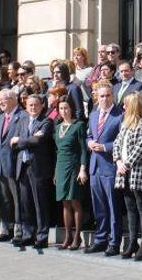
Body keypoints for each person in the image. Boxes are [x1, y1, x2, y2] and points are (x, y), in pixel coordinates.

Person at [113, 93, 142, 261]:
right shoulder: (125, 123)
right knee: (130, 208)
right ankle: (132, 241)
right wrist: (117, 161)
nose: (123, 107)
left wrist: (127, 163)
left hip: (138, 171)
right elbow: (117, 143)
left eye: (125, 104)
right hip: (123, 172)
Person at [11, 94, 55, 248]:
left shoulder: (46, 121)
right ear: (26, 106)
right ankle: (28, 234)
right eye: (30, 105)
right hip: (22, 166)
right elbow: (13, 143)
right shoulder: (22, 121)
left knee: (40, 203)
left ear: (42, 105)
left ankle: (42, 237)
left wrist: (21, 141)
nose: (33, 108)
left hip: (38, 168)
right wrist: (26, 141)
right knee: (26, 203)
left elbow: (37, 140)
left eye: (36, 105)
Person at [85, 84, 124, 255]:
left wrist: (105, 147)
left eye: (108, 95)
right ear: (97, 98)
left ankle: (114, 242)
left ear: (112, 96)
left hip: (110, 166)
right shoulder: (93, 115)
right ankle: (100, 239)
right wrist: (89, 142)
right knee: (99, 206)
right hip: (94, 167)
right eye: (101, 96)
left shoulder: (119, 116)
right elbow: (89, 135)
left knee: (113, 207)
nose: (105, 99)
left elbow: (122, 141)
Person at [53, 95, 89, 250]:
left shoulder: (79, 125)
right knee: (65, 202)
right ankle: (67, 236)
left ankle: (77, 236)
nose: (64, 111)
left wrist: (82, 169)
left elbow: (83, 149)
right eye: (61, 108)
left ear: (72, 108)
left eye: (66, 108)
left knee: (75, 201)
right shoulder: (57, 127)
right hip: (61, 166)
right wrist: (55, 171)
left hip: (74, 166)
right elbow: (57, 151)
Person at [0, 90, 26, 244]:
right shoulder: (0, 117)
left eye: (3, 99)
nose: (0, 102)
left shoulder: (23, 116)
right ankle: (6, 228)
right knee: (3, 199)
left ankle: (18, 231)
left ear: (13, 99)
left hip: (14, 165)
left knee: (16, 199)